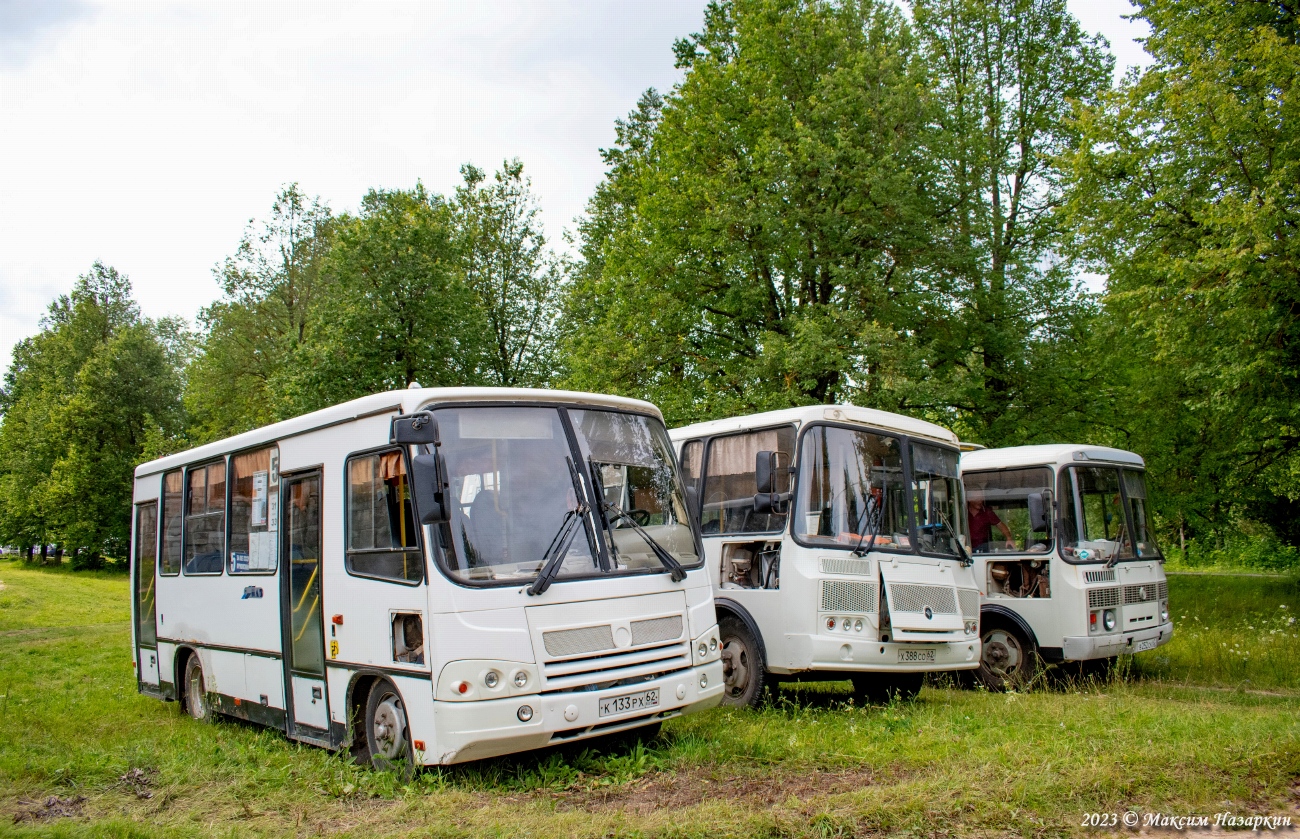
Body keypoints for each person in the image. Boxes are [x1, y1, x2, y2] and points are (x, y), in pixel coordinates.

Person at [967, 488, 1015, 552]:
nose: (980, 501)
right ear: (969, 499)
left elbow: (1001, 525)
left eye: (981, 498)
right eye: (977, 499)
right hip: (966, 548)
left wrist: (1009, 538)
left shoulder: (987, 512)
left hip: (983, 547)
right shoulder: (962, 512)